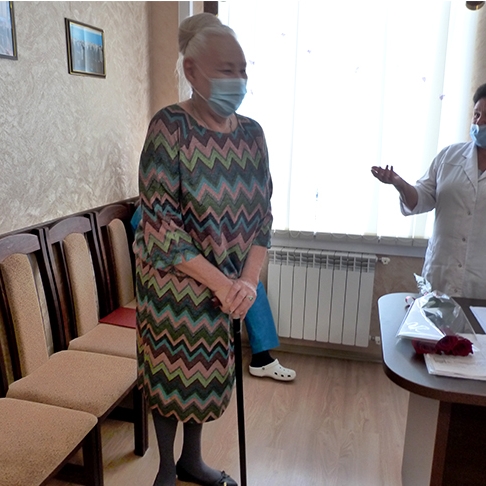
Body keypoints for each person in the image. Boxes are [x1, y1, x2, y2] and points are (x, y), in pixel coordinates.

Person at [133, 12, 281, 486]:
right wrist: (222, 283)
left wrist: (248, 282)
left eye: (242, 69)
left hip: (228, 290)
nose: (237, 80)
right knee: (169, 374)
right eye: (225, 70)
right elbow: (160, 225)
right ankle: (165, 469)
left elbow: (263, 217)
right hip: (173, 287)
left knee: (203, 378)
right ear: (192, 71)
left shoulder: (252, 135)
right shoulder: (169, 127)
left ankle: (191, 461)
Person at [131, 205, 296, 383]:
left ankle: (261, 356)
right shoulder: (152, 208)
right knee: (238, 288)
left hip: (201, 252)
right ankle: (260, 357)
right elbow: (164, 243)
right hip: (175, 274)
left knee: (248, 287)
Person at [371, 83, 486, 299]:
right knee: (436, 320)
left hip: (480, 282)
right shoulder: (449, 157)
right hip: (442, 273)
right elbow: (421, 199)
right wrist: (400, 184)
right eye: (477, 114)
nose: (479, 122)